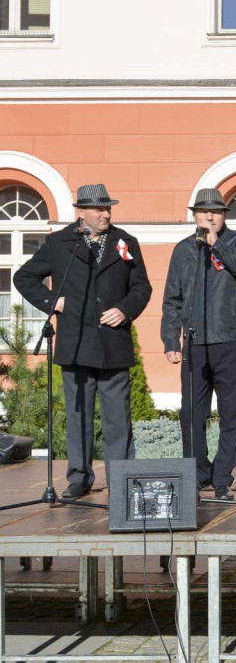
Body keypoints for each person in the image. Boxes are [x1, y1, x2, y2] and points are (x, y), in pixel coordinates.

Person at [14, 183, 152, 499]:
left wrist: (124, 310)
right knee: (78, 416)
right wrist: (53, 302)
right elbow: (23, 277)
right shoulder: (60, 243)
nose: (106, 213)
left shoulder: (125, 242)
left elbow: (141, 287)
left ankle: (122, 478)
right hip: (75, 343)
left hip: (113, 343)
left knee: (118, 417)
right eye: (99, 209)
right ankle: (79, 477)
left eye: (109, 208)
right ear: (82, 212)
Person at [160, 188, 236, 501]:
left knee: (231, 413)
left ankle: (222, 477)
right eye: (204, 212)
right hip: (194, 342)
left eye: (215, 212)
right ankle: (199, 473)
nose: (209, 217)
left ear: (224, 215)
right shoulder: (183, 250)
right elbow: (172, 299)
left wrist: (218, 247)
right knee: (191, 413)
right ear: (195, 216)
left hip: (231, 340)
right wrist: (169, 338)